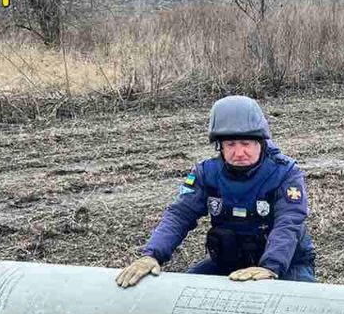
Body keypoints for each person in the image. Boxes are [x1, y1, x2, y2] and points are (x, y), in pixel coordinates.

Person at [116, 95, 316, 288]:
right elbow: (179, 214)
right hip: (229, 264)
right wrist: (151, 255)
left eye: (245, 143)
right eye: (230, 145)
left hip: (285, 265)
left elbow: (289, 221)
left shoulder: (285, 172)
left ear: (260, 142)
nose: (239, 153)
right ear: (219, 146)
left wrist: (270, 267)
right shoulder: (206, 173)